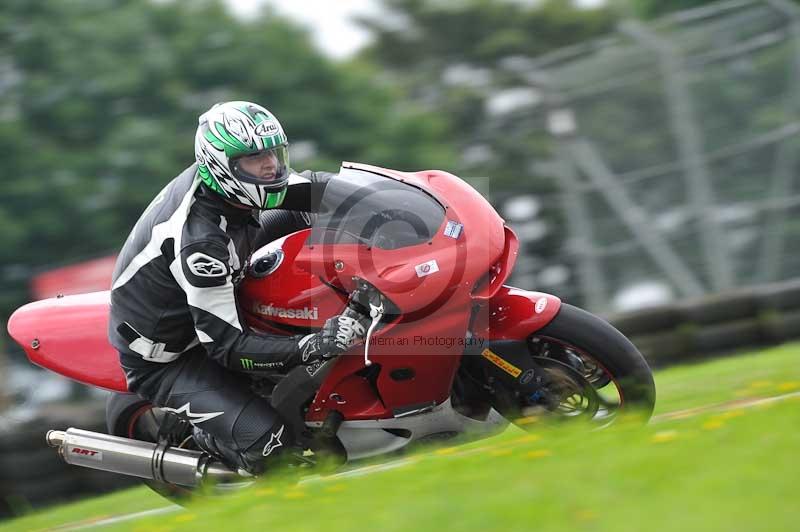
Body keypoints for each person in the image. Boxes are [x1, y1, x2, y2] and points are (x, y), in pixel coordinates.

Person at [108, 101, 368, 475]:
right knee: (275, 447)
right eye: (253, 159)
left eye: (273, 155)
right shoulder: (201, 245)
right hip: (173, 355)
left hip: (215, 279)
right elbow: (226, 347)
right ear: (221, 166)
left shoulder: (241, 187)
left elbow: (318, 187)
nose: (270, 167)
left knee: (311, 208)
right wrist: (317, 344)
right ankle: (205, 439)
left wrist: (388, 202)